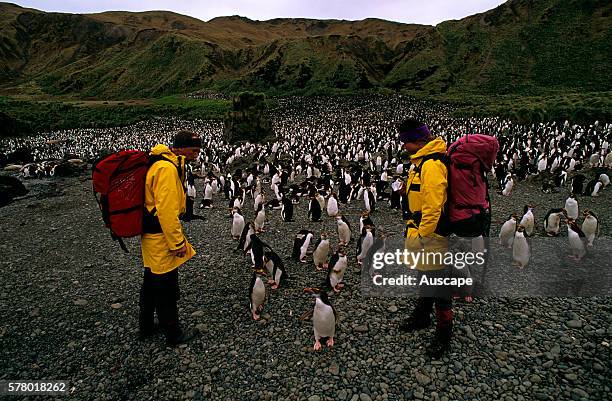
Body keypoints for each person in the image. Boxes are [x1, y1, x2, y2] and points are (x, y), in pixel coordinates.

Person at [397, 118, 453, 359]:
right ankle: (422, 316)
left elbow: (433, 206)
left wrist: (423, 236)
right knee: (426, 275)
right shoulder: (421, 162)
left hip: (431, 234)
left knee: (439, 284)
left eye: (407, 142)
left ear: (419, 140)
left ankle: (444, 333)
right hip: (420, 230)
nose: (404, 147)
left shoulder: (431, 165)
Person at [139, 131, 201, 346]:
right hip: (160, 237)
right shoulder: (165, 169)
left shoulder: (162, 162)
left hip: (152, 235)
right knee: (165, 286)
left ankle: (145, 326)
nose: (197, 154)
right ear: (179, 148)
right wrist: (177, 243)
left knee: (151, 281)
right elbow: (166, 211)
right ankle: (173, 334)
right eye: (193, 149)